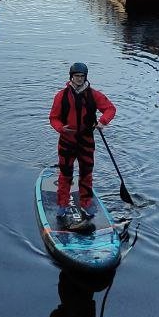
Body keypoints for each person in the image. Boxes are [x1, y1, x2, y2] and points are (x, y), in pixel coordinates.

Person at [49, 62, 116, 230]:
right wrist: (60, 128)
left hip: (86, 141)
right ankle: (62, 204)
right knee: (65, 174)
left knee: (86, 173)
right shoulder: (61, 96)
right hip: (67, 141)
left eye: (82, 76)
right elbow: (53, 117)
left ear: (85, 77)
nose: (79, 79)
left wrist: (102, 121)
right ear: (71, 77)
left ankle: (86, 202)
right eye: (76, 76)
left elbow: (110, 109)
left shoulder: (94, 95)